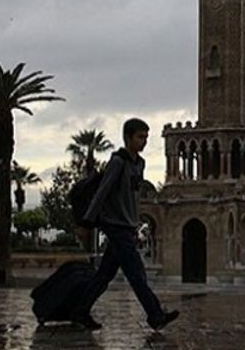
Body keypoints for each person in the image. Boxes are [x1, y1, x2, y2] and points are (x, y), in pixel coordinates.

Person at [70, 118, 179, 331]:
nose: (144, 141)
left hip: (128, 226)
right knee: (136, 274)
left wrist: (135, 222)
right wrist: (86, 223)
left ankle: (80, 311)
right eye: (140, 137)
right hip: (115, 226)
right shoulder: (117, 163)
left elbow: (133, 195)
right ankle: (155, 315)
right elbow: (101, 193)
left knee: (105, 274)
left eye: (146, 137)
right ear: (128, 137)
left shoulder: (140, 164)